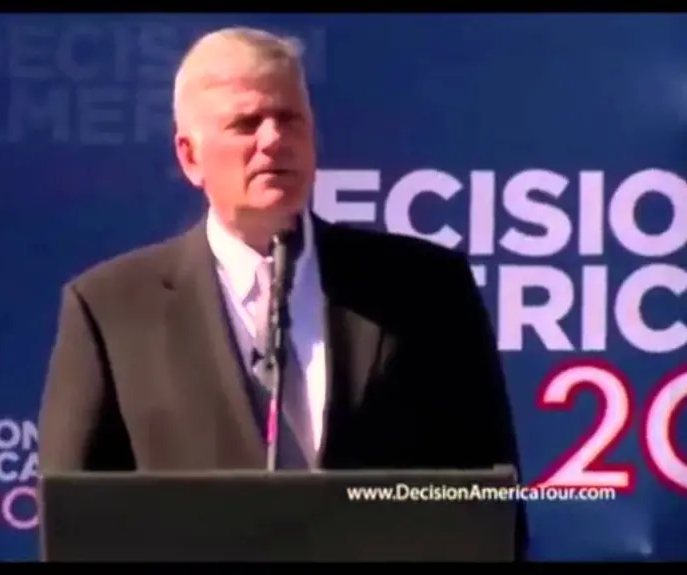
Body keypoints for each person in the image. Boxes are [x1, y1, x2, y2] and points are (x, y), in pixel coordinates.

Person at [38, 26, 524, 557]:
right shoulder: (110, 310)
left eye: (289, 118)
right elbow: (76, 528)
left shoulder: (425, 288)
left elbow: (491, 506)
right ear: (190, 156)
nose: (273, 139)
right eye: (245, 124)